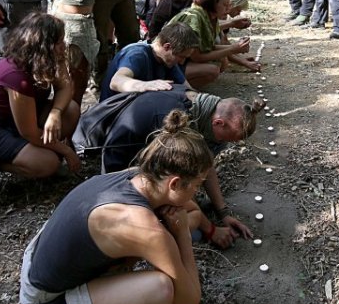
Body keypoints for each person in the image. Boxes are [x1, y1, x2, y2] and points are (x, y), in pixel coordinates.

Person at [20, 111, 208, 304]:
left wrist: (190, 220)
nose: (195, 194)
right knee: (160, 290)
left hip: (38, 266)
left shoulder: (139, 176)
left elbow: (190, 208)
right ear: (174, 182)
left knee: (161, 255)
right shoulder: (143, 226)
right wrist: (182, 234)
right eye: (196, 186)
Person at [73, 88, 259, 246]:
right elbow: (174, 186)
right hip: (119, 177)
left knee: (191, 212)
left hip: (146, 167)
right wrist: (211, 230)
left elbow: (205, 165)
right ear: (218, 123)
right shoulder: (175, 129)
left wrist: (223, 212)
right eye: (226, 138)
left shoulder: (197, 106)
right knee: (191, 231)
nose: (225, 144)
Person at [0, 12, 82, 197]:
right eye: (59, 42)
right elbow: (28, 132)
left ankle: (28, 152)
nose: (64, 46)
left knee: (69, 110)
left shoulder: (48, 60)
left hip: (15, 121)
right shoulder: (15, 75)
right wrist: (66, 151)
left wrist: (55, 112)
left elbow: (65, 87)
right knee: (49, 163)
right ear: (44, 46)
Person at [164, 0, 249, 88]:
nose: (227, 10)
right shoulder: (194, 18)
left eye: (229, 5)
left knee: (222, 61)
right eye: (224, 5)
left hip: (181, 61)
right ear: (212, 3)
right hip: (169, 62)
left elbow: (207, 47)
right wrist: (233, 49)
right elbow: (197, 56)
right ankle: (177, 89)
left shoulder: (209, 18)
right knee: (212, 70)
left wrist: (235, 48)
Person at [100, 22, 198, 100]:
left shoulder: (168, 61)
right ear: (167, 47)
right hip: (113, 115)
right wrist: (144, 85)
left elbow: (186, 89)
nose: (182, 62)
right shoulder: (137, 55)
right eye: (182, 57)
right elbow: (116, 81)